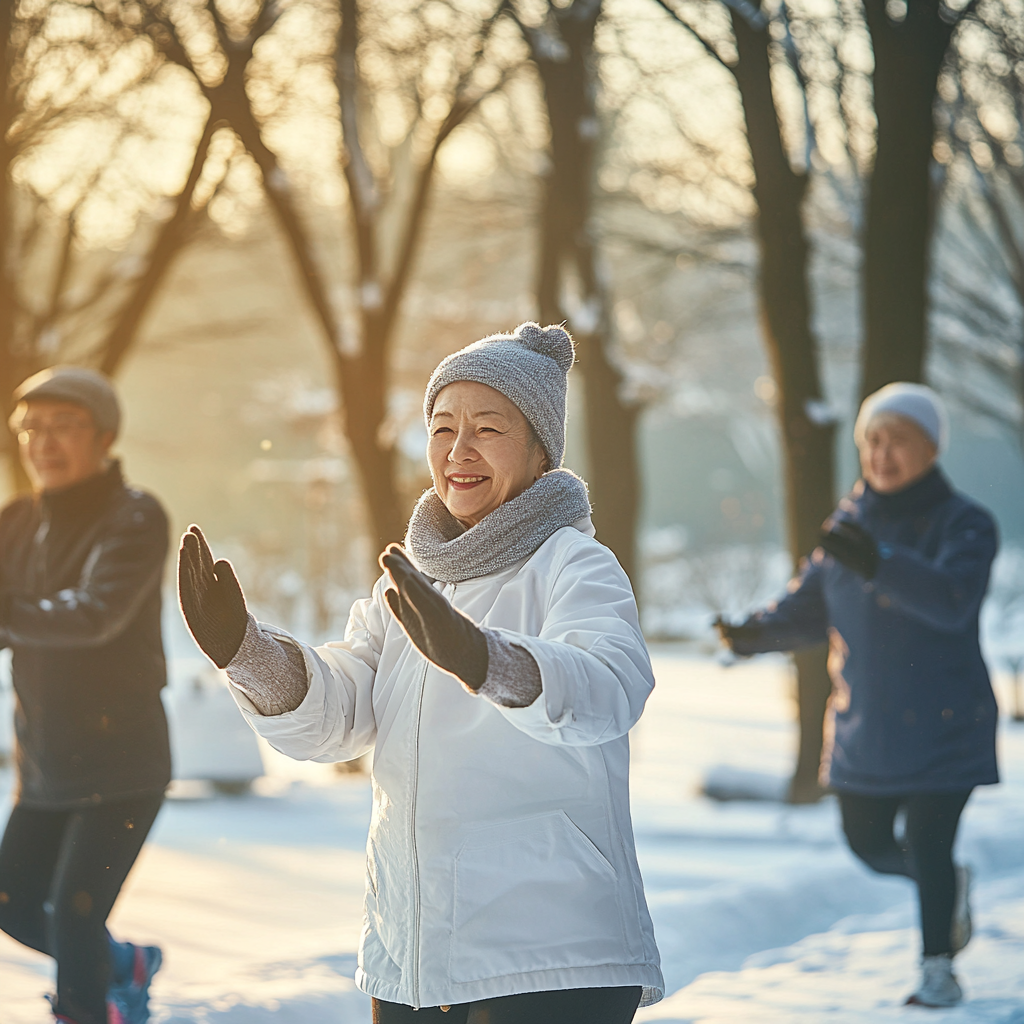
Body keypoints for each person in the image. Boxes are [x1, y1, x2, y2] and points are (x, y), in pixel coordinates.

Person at [178, 322, 664, 1023]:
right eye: (442, 428)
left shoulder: (571, 563)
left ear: (538, 449)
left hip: (550, 956)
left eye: (488, 429)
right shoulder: (405, 585)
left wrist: (485, 660)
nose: (458, 452)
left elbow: (609, 688)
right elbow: (340, 713)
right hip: (414, 953)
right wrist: (247, 654)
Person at [717, 382, 998, 1009]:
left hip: (946, 721)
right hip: (866, 724)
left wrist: (883, 562)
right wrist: (751, 634)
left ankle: (937, 969)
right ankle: (946, 886)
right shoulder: (849, 528)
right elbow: (809, 609)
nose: (882, 453)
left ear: (930, 449)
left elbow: (953, 601)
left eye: (898, 440)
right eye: (872, 440)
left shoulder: (966, 524)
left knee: (929, 840)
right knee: (868, 844)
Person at [0, 367, 170, 1024]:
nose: (43, 442)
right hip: (46, 764)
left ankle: (91, 999)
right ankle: (122, 963)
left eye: (63, 427)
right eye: (30, 429)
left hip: (120, 765)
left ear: (103, 435)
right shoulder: (16, 521)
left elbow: (93, 613)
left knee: (74, 918)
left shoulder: (133, 515)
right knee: (11, 901)